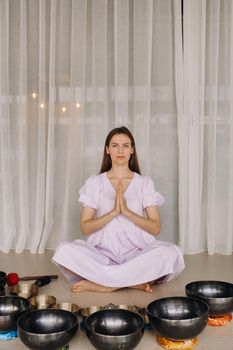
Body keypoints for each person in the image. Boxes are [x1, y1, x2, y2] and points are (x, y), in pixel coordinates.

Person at [52, 126, 185, 292]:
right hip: (102, 253)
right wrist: (114, 212)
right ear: (107, 150)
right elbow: (85, 227)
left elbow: (155, 227)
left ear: (132, 150)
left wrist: (127, 212)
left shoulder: (144, 183)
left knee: (172, 253)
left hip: (137, 253)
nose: (120, 150)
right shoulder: (95, 183)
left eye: (126, 145)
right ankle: (129, 281)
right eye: (115, 145)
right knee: (63, 251)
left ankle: (104, 285)